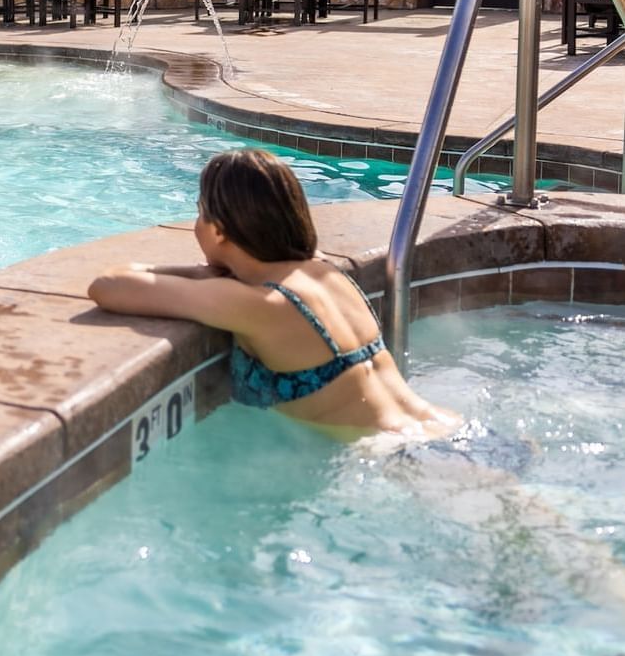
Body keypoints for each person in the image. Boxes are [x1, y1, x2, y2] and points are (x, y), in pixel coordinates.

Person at [88, 148, 459, 439]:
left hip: (405, 460)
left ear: (219, 231)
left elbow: (108, 285)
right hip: (452, 430)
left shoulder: (260, 305)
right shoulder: (325, 272)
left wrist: (197, 273)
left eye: (200, 214)